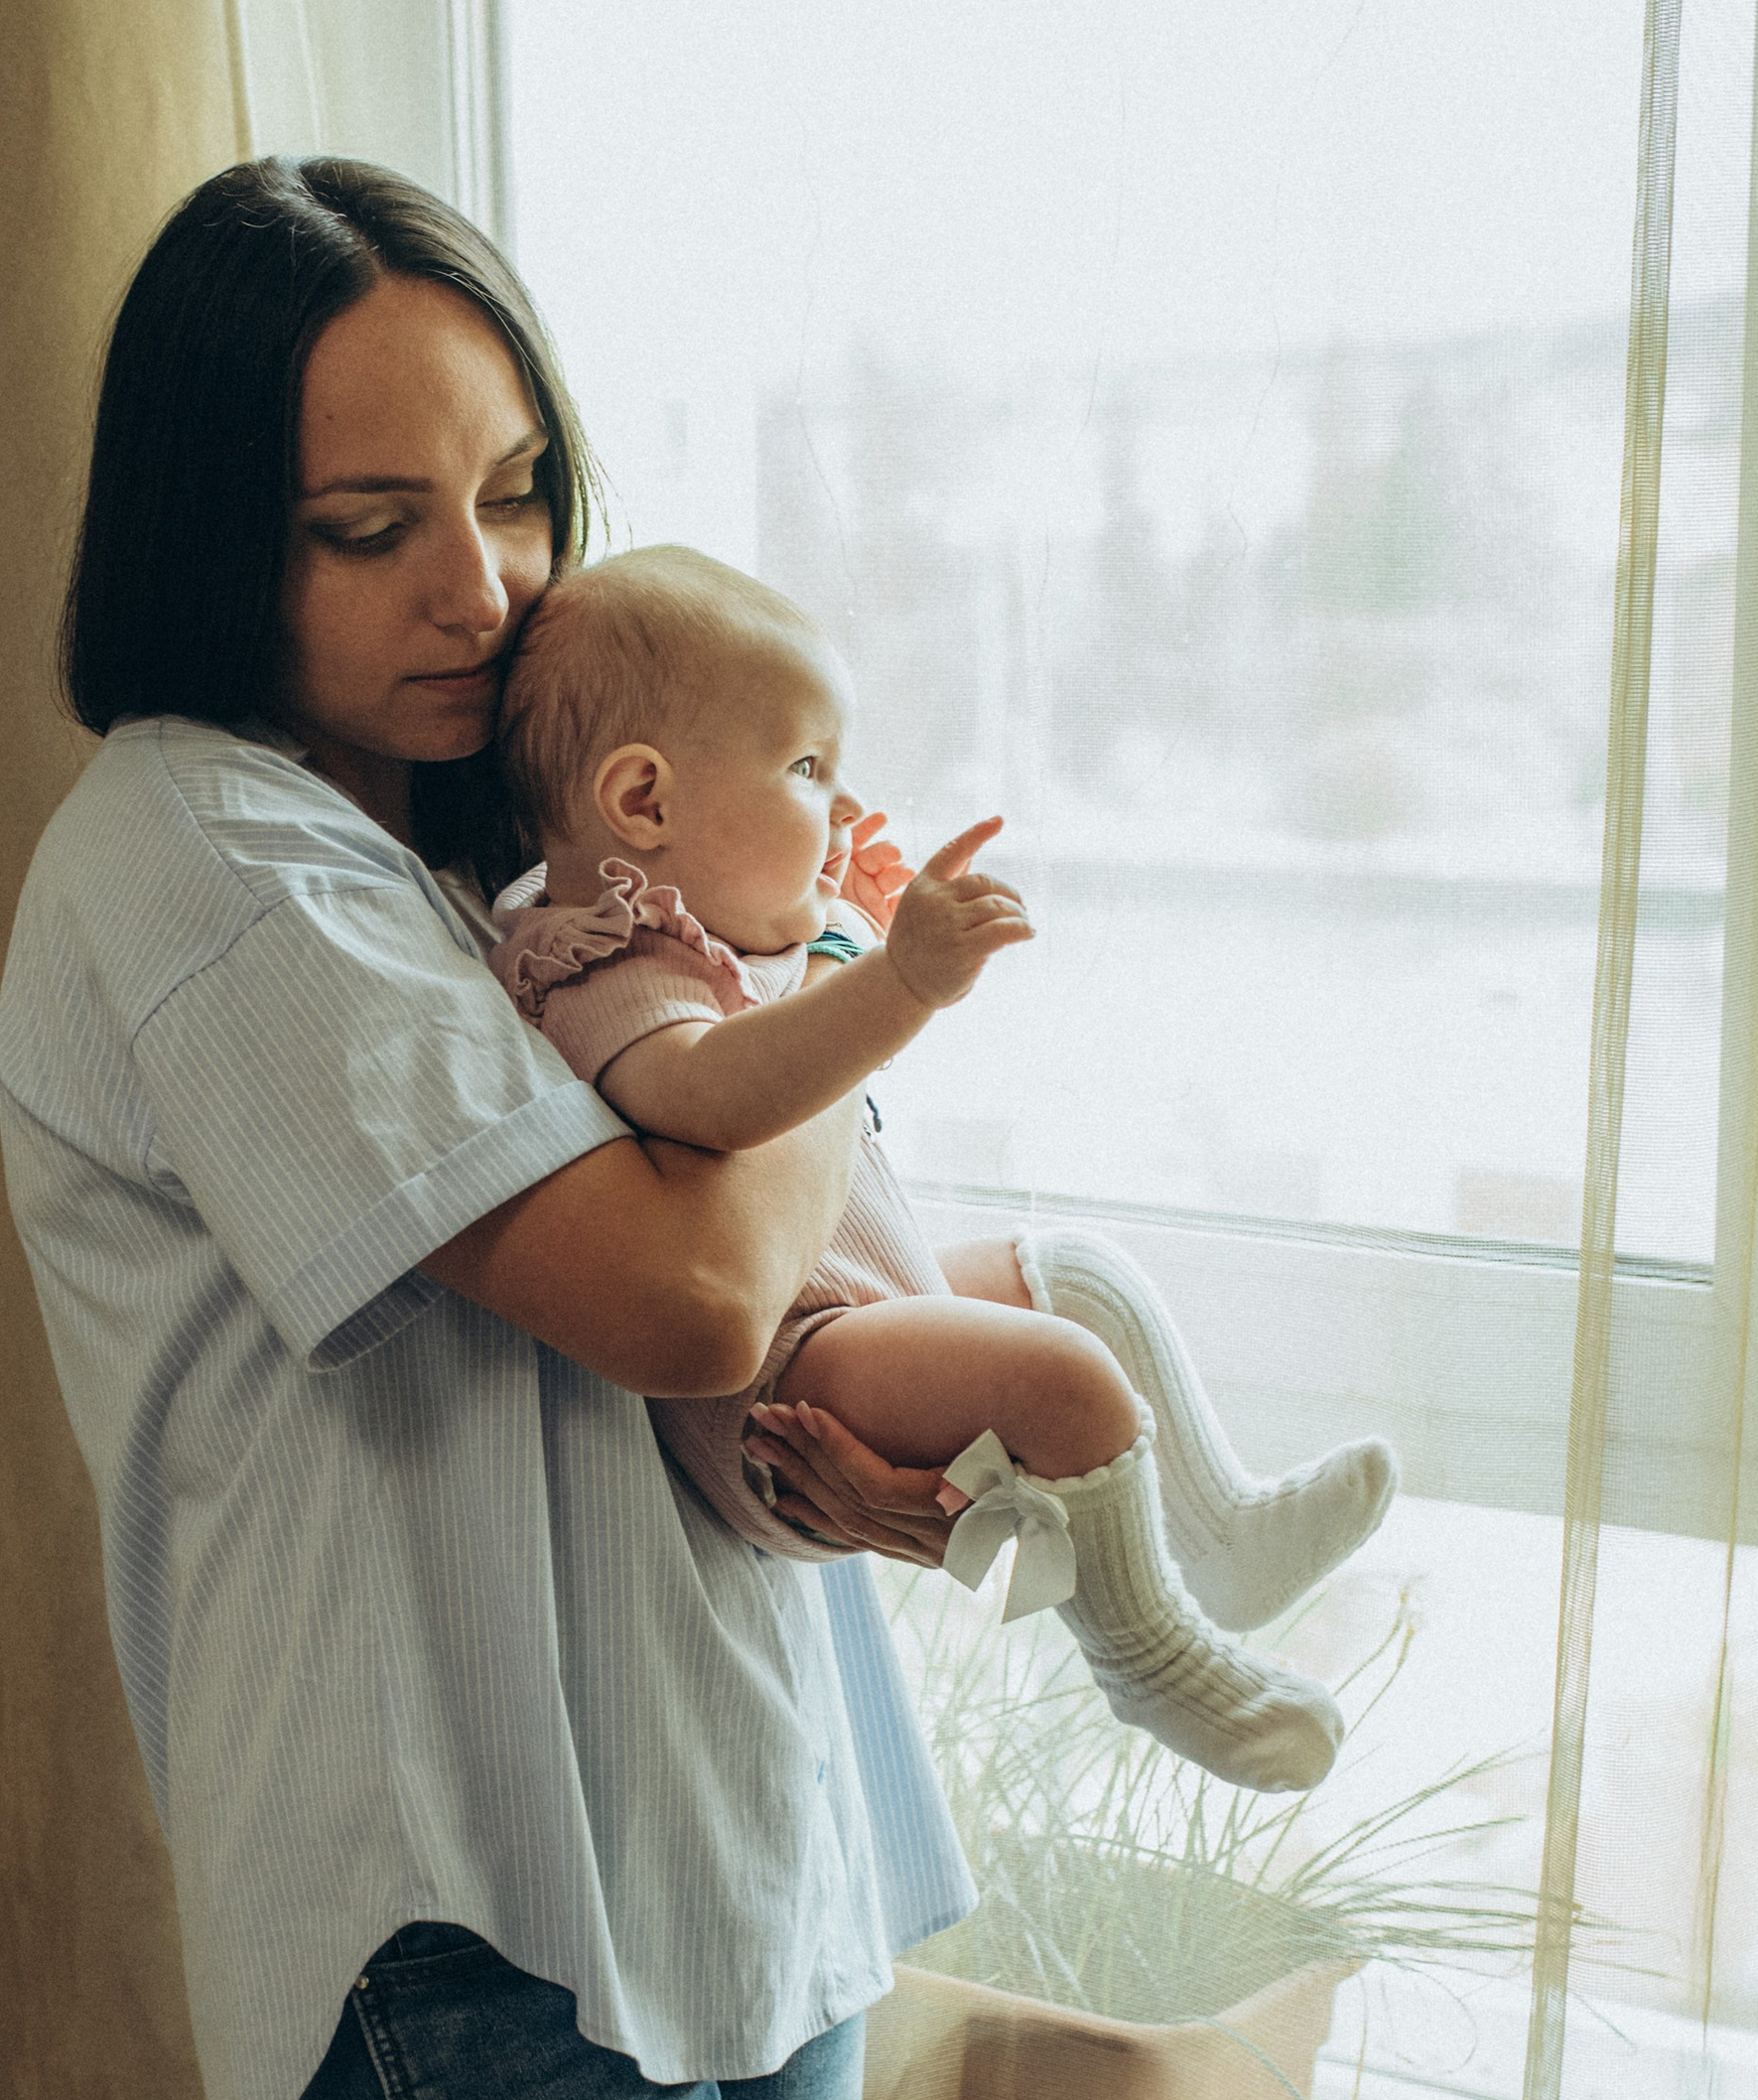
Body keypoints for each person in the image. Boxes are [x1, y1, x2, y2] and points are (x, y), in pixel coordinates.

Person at [0, 155, 980, 2100]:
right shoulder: (198, 859)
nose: (483, 584)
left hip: (730, 1849)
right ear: (215, 530)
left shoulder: (507, 865)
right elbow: (673, 1283)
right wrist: (822, 944)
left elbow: (747, 1315)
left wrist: (838, 1419)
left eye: (517, 489)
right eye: (369, 522)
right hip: (462, 1948)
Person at [489, 547, 1396, 1791]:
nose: (842, 807)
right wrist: (891, 979)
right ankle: (1152, 1660)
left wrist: (847, 935)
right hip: (782, 1377)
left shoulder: (714, 933)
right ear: (642, 802)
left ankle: (1219, 1533)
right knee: (1061, 1377)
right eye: (807, 768)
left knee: (1072, 1274)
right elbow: (712, 1094)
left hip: (848, 1305)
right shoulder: (597, 959)